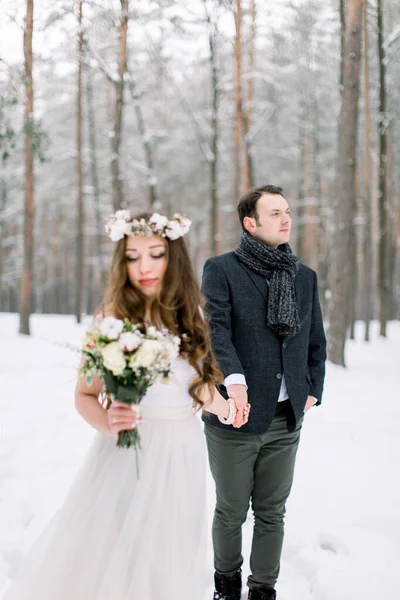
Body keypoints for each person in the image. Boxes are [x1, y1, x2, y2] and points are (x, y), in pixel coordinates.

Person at [2, 210, 247, 600]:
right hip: (129, 451)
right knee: (118, 554)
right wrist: (108, 420)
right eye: (133, 257)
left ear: (174, 257)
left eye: (156, 254)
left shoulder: (193, 317)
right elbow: (84, 396)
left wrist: (227, 408)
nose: (144, 267)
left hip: (181, 452)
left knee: (167, 556)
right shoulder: (112, 322)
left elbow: (196, 388)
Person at [201, 185, 327, 600]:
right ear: (250, 223)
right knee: (232, 510)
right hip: (235, 416)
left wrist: (311, 389)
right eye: (275, 213)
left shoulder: (303, 276)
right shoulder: (221, 269)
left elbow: (315, 342)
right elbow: (216, 332)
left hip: (286, 416)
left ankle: (263, 590)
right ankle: (226, 584)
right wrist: (233, 382)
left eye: (287, 211)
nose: (286, 219)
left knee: (272, 512)